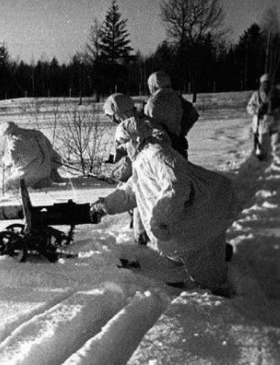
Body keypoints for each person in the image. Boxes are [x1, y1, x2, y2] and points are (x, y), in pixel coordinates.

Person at [89, 117, 239, 294]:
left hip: (202, 216)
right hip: (192, 220)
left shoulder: (157, 154)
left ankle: (227, 304)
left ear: (135, 139)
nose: (121, 148)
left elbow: (177, 185)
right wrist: (105, 206)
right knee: (193, 254)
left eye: (122, 143)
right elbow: (131, 191)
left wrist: (160, 220)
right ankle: (220, 258)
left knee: (211, 279)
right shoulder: (142, 158)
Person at [103, 93, 170, 245]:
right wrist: (118, 175)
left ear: (119, 112)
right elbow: (132, 159)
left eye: (112, 116)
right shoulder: (135, 126)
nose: (112, 120)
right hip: (149, 180)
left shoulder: (142, 127)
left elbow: (143, 159)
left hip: (155, 183)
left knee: (148, 230)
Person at [144, 71, 198, 159]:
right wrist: (182, 132)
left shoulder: (152, 102)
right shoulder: (177, 98)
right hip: (179, 144)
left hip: (161, 147)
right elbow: (193, 115)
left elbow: (148, 125)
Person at [0, 121, 64, 191]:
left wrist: (3, 159)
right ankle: (44, 180)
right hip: (46, 170)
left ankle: (35, 183)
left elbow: (10, 158)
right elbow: (50, 150)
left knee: (6, 186)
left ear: (7, 134)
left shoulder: (15, 140)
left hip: (29, 173)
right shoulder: (37, 133)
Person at [246, 73, 280, 162]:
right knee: (261, 146)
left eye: (268, 82)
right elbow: (249, 107)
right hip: (260, 125)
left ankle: (273, 163)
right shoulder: (256, 95)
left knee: (275, 145)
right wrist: (257, 110)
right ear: (261, 83)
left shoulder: (276, 94)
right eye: (264, 82)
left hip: (274, 123)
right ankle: (260, 163)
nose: (266, 84)